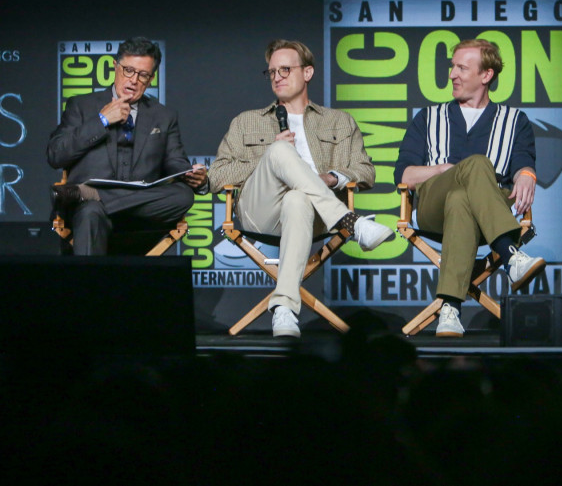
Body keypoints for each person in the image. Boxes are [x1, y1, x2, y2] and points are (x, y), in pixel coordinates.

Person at [204, 39, 393, 338]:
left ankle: (284, 309)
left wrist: (330, 177)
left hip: (314, 215)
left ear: (307, 73)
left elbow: (365, 170)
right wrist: (270, 158)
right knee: (279, 152)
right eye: (271, 72)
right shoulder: (246, 122)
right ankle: (351, 223)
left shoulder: (339, 122)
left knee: (297, 198)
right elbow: (217, 176)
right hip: (260, 210)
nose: (277, 77)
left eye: (285, 69)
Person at [394, 38, 545, 338]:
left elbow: (524, 162)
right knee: (475, 165)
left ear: (486, 75)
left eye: (462, 68)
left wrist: (527, 173)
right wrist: (444, 170)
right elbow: (405, 174)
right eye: (453, 68)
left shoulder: (515, 120)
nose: (452, 75)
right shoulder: (428, 117)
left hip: (487, 211)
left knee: (462, 200)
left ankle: (449, 308)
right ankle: (510, 255)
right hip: (432, 206)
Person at [47, 36, 206, 255]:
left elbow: (175, 162)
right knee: (90, 212)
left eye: (143, 75)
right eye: (128, 70)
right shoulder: (81, 105)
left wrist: (192, 176)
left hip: (142, 217)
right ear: (115, 67)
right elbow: (56, 154)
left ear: (151, 79)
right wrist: (101, 120)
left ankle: (89, 193)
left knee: (184, 195)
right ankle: (89, 289)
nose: (133, 80)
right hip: (90, 213)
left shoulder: (163, 116)